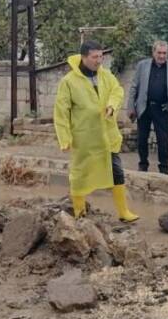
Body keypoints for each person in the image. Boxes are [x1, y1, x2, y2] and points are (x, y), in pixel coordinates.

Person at [53, 41, 139, 223]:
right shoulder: (69, 82)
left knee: (116, 171)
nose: (99, 61)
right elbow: (61, 112)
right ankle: (79, 212)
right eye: (95, 57)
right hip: (84, 137)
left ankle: (123, 212)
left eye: (101, 56)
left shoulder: (106, 76)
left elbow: (117, 91)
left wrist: (111, 106)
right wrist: (64, 138)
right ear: (84, 57)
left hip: (107, 135)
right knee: (80, 175)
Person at [128, 40, 168, 175]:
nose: (162, 56)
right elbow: (134, 87)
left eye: (165, 53)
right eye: (159, 53)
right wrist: (131, 107)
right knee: (142, 138)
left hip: (162, 109)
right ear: (153, 52)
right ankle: (143, 165)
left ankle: (164, 168)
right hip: (144, 107)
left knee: (163, 139)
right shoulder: (142, 65)